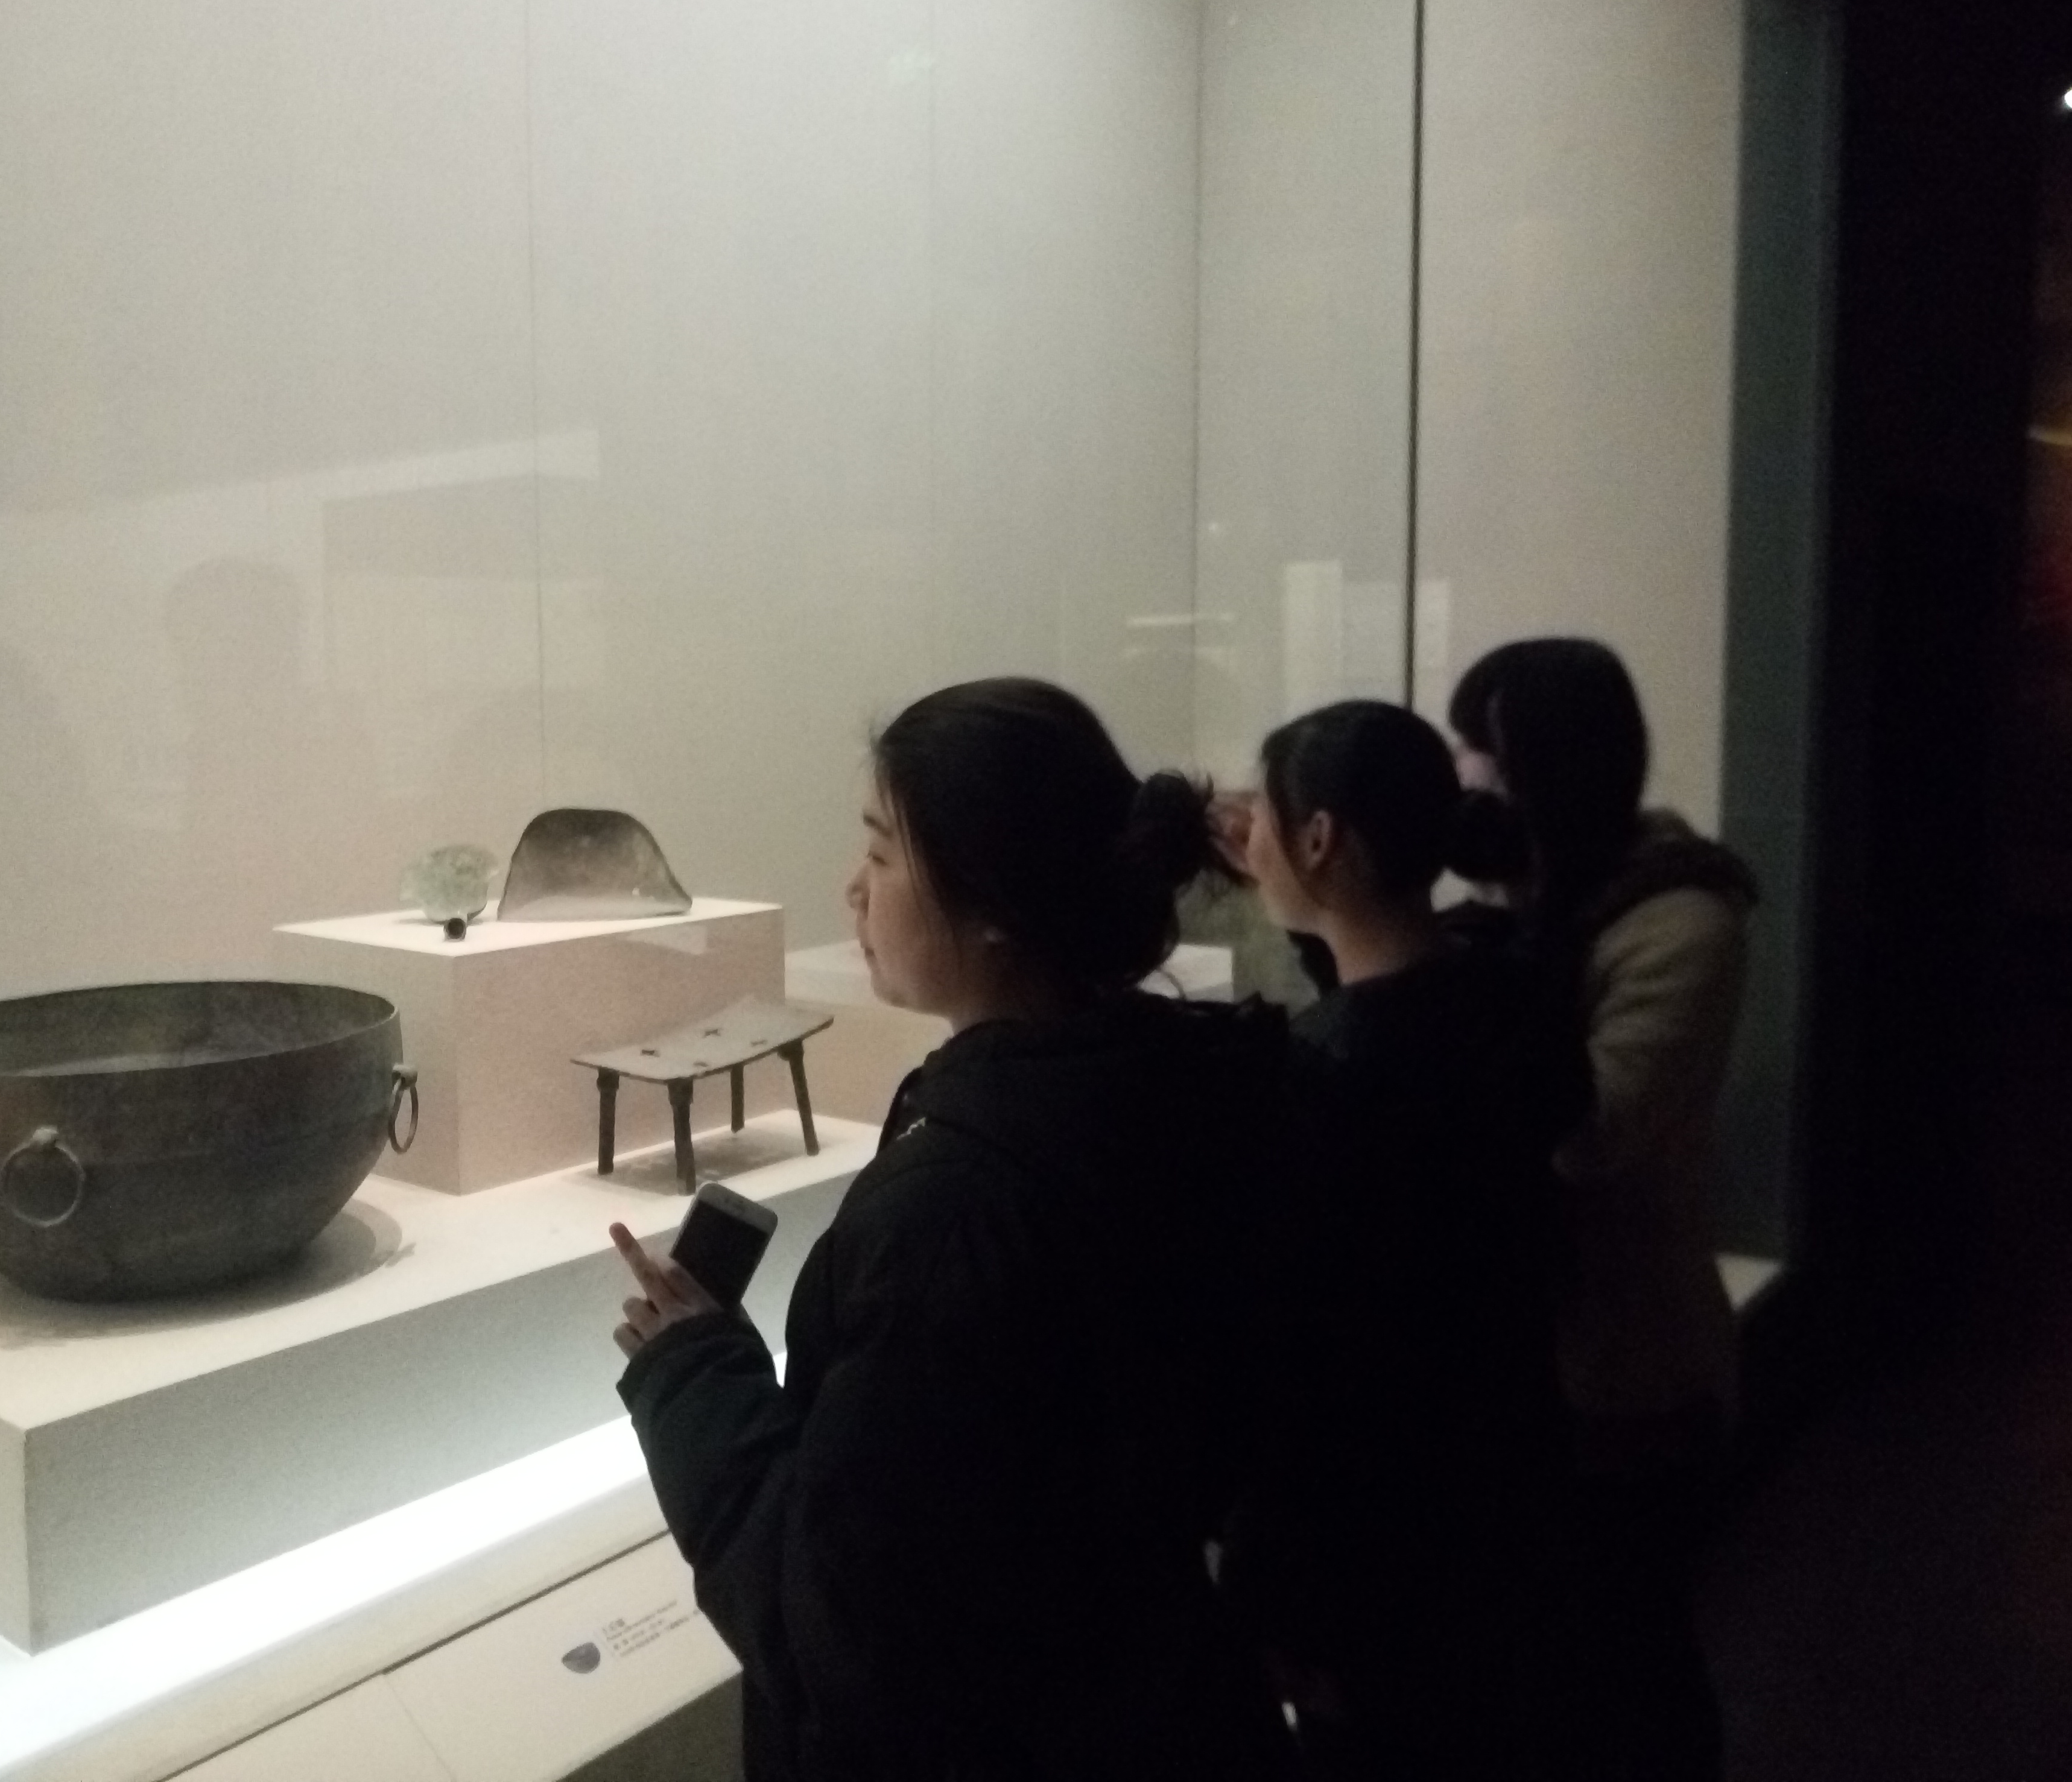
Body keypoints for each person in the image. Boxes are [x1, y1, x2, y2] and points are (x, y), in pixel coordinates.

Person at [606, 678, 1296, 1782]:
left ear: (993, 906)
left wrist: (693, 1375)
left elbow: (850, 1630)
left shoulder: (956, 1211)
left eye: (881, 854)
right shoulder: (1195, 1089)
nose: (851, 888)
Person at [1225, 700, 1591, 1781]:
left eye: (1264, 820)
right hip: (1511, 1478)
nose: (1248, 841)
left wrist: (1271, 1590)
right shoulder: (1513, 994)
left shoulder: (1322, 1074)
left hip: (1377, 1546)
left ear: (1321, 839)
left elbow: (1305, 1368)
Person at [1446, 637, 1759, 1782]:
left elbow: (1590, 1134)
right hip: (1536, 1359)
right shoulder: (1540, 896)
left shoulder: (1681, 921)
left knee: (1631, 1658)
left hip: (1631, 1368)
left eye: (1482, 757)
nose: (1466, 783)